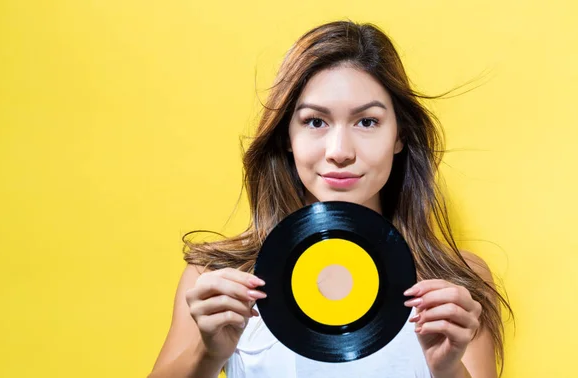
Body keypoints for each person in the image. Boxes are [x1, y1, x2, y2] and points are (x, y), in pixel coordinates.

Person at [148, 20, 512, 378]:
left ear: (399, 135)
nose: (340, 151)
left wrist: (448, 369)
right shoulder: (217, 278)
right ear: (286, 137)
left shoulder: (457, 281)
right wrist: (207, 354)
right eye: (315, 122)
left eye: (367, 122)